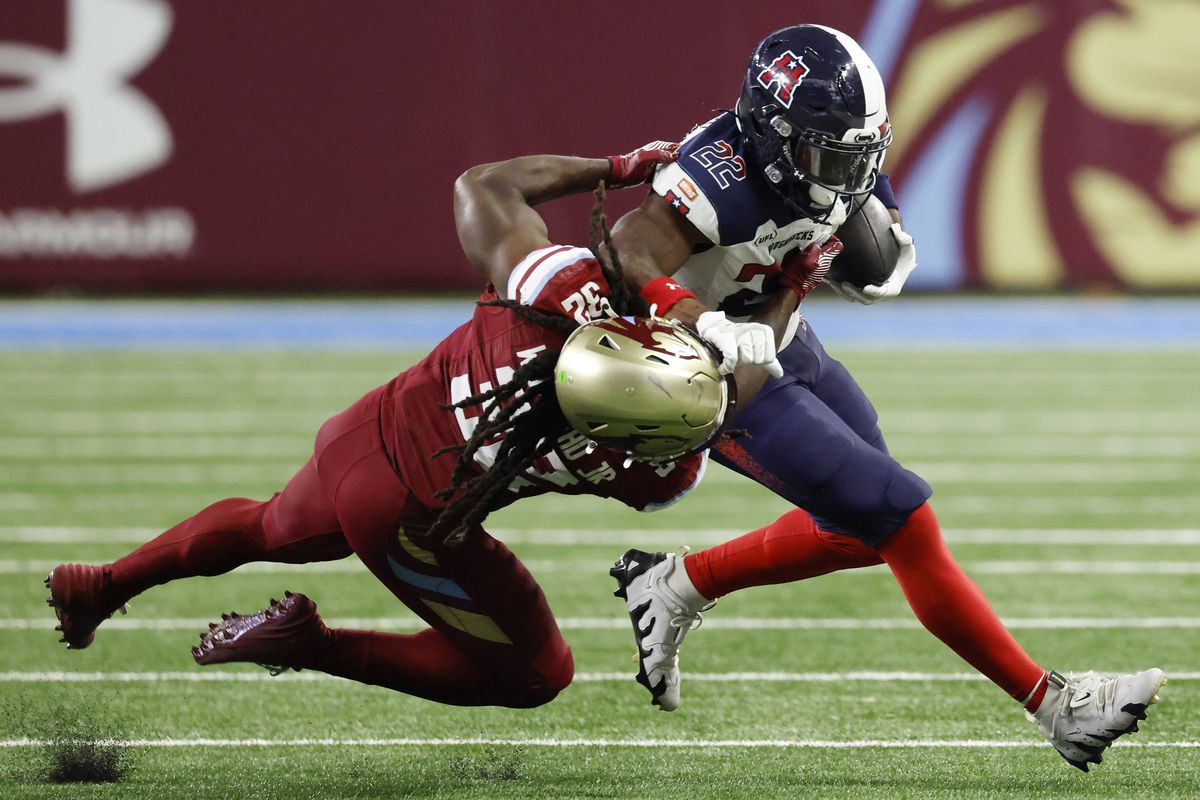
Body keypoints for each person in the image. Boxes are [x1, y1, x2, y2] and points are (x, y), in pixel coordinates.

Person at [44, 147, 810, 709]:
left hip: (363, 432)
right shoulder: (650, 466)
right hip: (409, 519)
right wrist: (792, 287)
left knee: (268, 525)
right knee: (539, 677)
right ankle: (314, 644)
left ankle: (106, 584)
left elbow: (486, 185)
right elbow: (724, 396)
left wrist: (619, 166)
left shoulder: (559, 291)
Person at [600, 24, 1164, 770]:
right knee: (899, 512)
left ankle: (675, 584)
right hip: (707, 371)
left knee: (858, 525)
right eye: (829, 156)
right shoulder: (720, 172)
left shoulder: (842, 153)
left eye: (859, 155)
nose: (847, 173)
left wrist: (875, 252)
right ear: (773, 135)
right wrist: (695, 315)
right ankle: (1056, 706)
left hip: (778, 333)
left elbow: (868, 233)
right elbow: (628, 248)